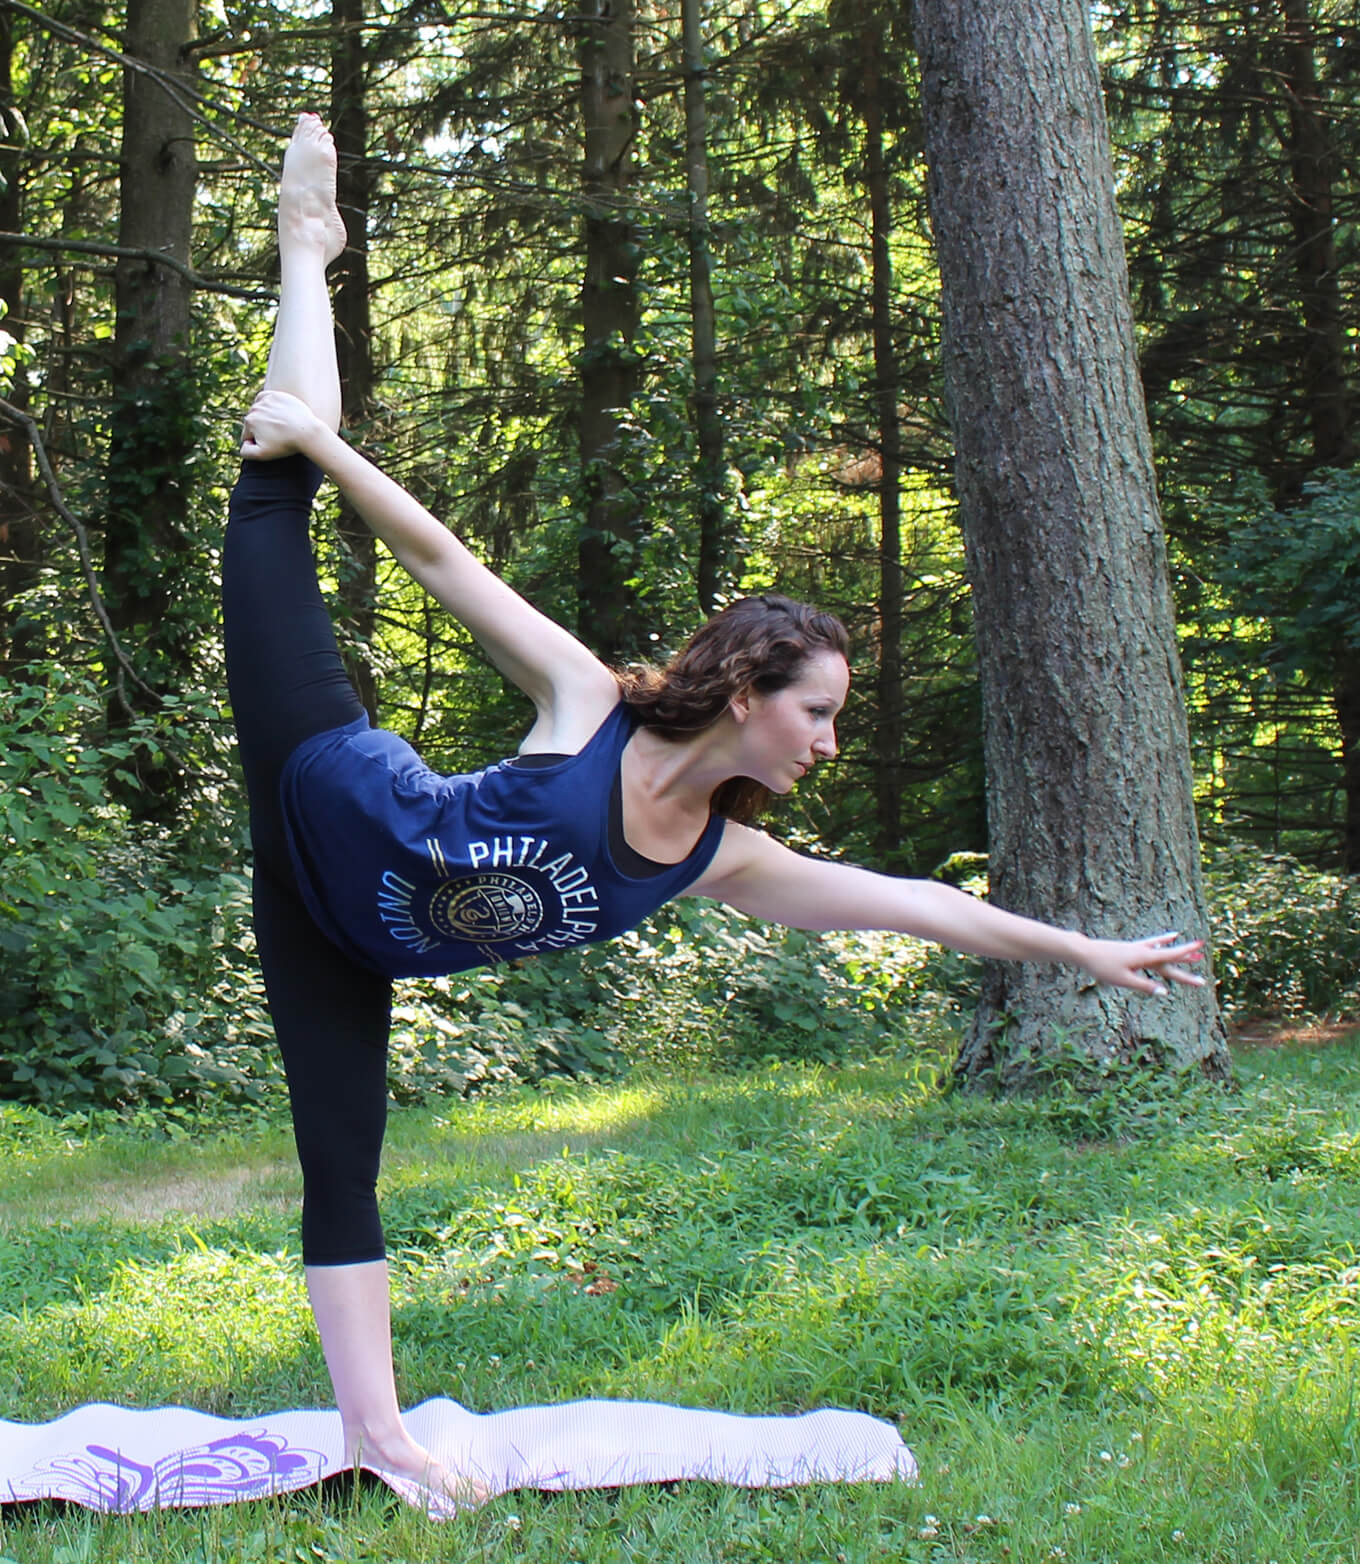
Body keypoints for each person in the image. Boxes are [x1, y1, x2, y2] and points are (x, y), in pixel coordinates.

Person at [224, 114, 1206, 1507]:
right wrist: (330, 446)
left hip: (337, 941)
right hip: (316, 775)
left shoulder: (715, 860)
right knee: (274, 480)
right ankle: (306, 254)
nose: (830, 740)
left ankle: (379, 1438)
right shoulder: (586, 705)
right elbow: (444, 559)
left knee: (343, 1163)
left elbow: (917, 906)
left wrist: (1084, 953)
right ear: (748, 687)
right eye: (819, 711)